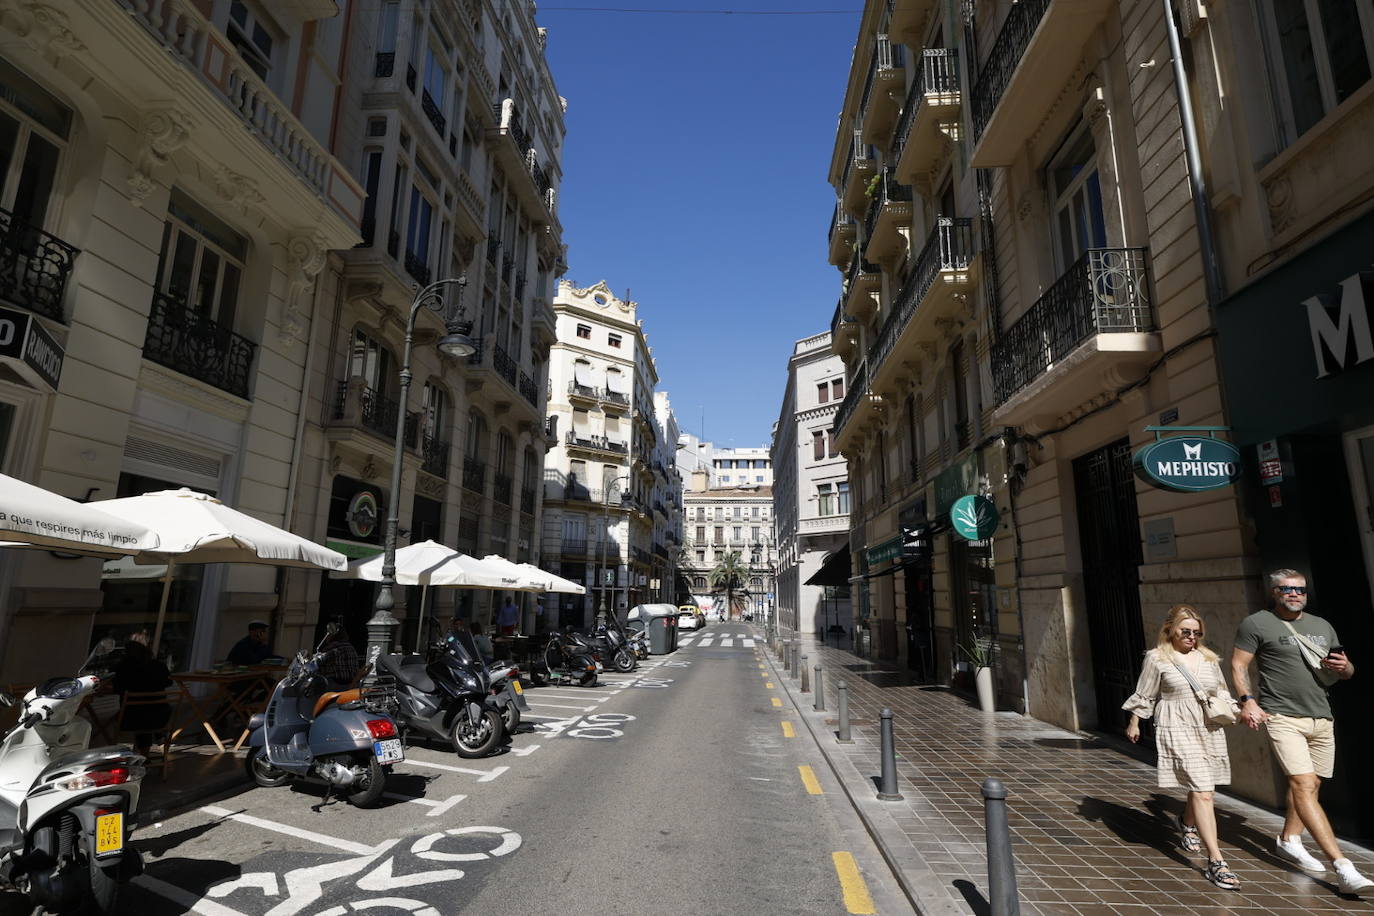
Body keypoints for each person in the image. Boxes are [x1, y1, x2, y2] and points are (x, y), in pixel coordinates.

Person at [1231, 568, 1372, 895]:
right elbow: (1239, 666)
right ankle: (1343, 866)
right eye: (1287, 589)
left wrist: (1345, 668)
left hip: (1321, 716)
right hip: (1281, 715)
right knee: (1304, 783)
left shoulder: (1322, 625)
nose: (1294, 594)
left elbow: (1346, 670)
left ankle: (1288, 838)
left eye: (1300, 590)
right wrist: (1248, 701)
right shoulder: (1256, 623)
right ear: (1274, 593)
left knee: (1313, 783)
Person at [1124, 605, 1240, 890]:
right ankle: (1217, 862)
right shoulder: (1157, 658)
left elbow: (1222, 691)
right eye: (1185, 631)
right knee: (1202, 791)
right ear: (1170, 630)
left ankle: (1186, 823)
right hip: (1176, 726)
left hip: (1208, 727)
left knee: (1204, 787)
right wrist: (1135, 721)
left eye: (1196, 632)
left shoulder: (1208, 658)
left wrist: (1238, 709)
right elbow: (1145, 692)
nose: (1191, 636)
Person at [112, 640, 173, 756]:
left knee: (138, 713)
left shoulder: (124, 668)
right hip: (161, 716)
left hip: (132, 718)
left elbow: (118, 688)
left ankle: (140, 755)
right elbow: (168, 682)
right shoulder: (159, 666)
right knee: (146, 711)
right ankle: (156, 740)